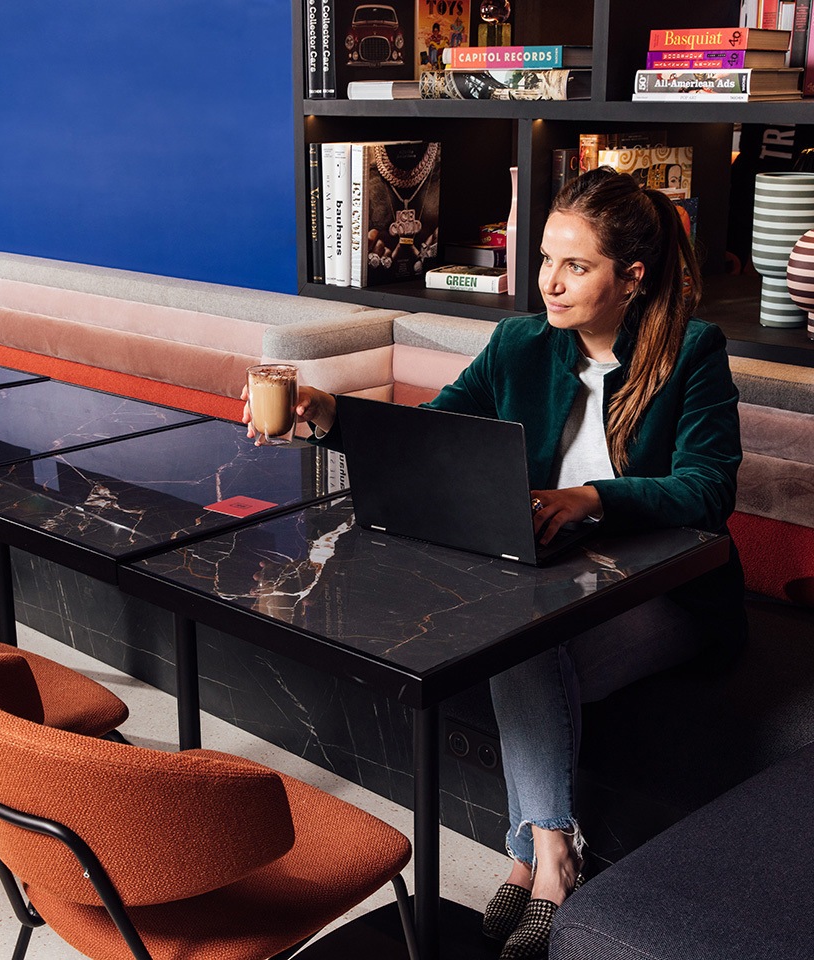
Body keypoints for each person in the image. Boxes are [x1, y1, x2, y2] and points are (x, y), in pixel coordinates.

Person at [243, 166, 746, 960]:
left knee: (523, 636)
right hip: (549, 578)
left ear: (633, 277)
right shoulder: (520, 343)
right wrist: (327, 415)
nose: (549, 282)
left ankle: (532, 858)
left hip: (665, 594)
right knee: (520, 634)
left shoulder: (690, 351)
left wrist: (589, 498)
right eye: (545, 258)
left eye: (576, 266)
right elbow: (433, 433)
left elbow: (707, 488)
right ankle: (549, 851)